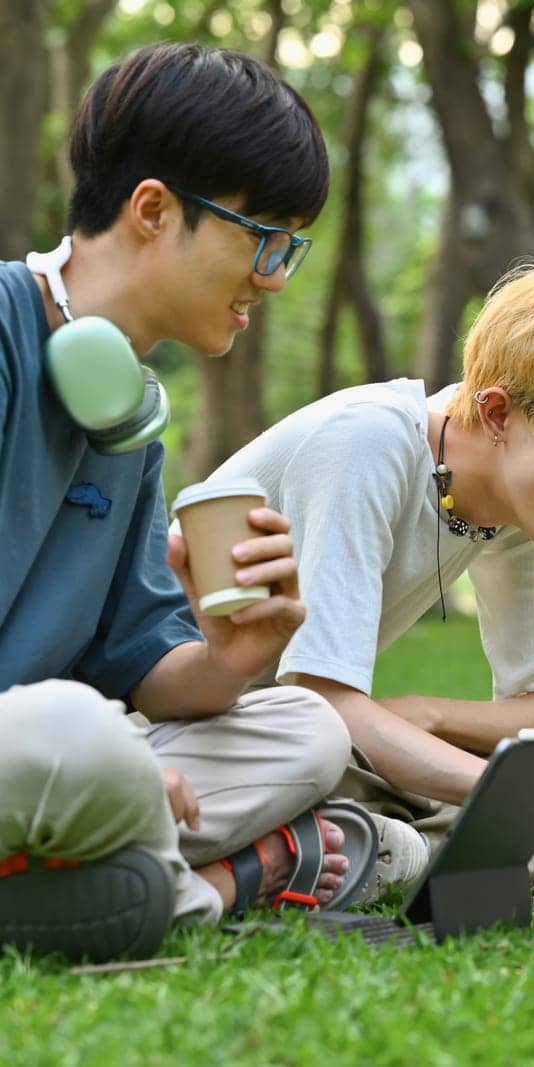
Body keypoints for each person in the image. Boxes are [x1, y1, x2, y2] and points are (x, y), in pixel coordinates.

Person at [0, 43, 355, 962]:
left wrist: (234, 658)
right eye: (261, 238)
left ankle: (94, 874)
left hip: (53, 768)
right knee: (73, 732)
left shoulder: (133, 418)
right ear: (153, 210)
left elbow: (145, 661)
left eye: (290, 247)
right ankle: (208, 887)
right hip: (41, 747)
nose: (273, 278)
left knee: (309, 731)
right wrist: (118, 761)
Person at [201, 265, 534, 898]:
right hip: (220, 731)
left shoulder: (533, 498)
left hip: (338, 746)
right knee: (321, 743)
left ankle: (383, 848)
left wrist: (427, 717)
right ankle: (412, 843)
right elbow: (317, 703)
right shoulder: (368, 444)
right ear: (496, 413)